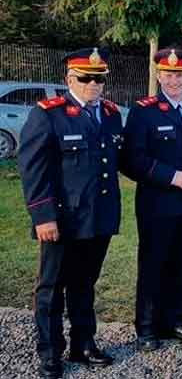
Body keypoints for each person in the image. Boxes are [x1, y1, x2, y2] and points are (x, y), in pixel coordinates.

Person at [18, 48, 122, 378]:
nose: (93, 84)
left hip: (98, 216)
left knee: (85, 282)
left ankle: (83, 343)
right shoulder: (49, 114)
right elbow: (34, 168)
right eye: (85, 78)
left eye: (98, 79)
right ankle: (49, 352)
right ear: (69, 80)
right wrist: (42, 216)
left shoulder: (109, 113)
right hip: (61, 219)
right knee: (51, 286)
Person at [121, 49, 182, 352]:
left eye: (179, 75)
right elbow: (131, 159)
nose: (174, 80)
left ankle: (174, 319)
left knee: (181, 260)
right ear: (159, 76)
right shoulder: (145, 110)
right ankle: (147, 327)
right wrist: (170, 176)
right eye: (168, 74)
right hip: (157, 202)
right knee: (153, 264)